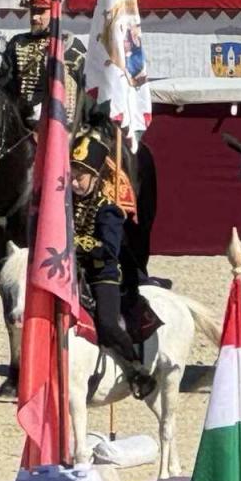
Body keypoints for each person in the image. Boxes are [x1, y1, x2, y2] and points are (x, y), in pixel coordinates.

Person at [70, 129, 156, 401]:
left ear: (95, 177)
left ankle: (136, 368)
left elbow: (108, 250)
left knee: (107, 323)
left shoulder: (108, 209)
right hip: (70, 272)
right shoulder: (67, 203)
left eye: (80, 177)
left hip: (101, 273)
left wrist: (74, 244)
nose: (74, 182)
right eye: (72, 175)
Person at [0, 0, 87, 133]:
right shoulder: (17, 44)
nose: (34, 17)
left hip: (66, 130)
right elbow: (5, 87)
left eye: (41, 11)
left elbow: (86, 91)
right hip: (25, 129)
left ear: (55, 11)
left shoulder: (74, 47)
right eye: (33, 11)